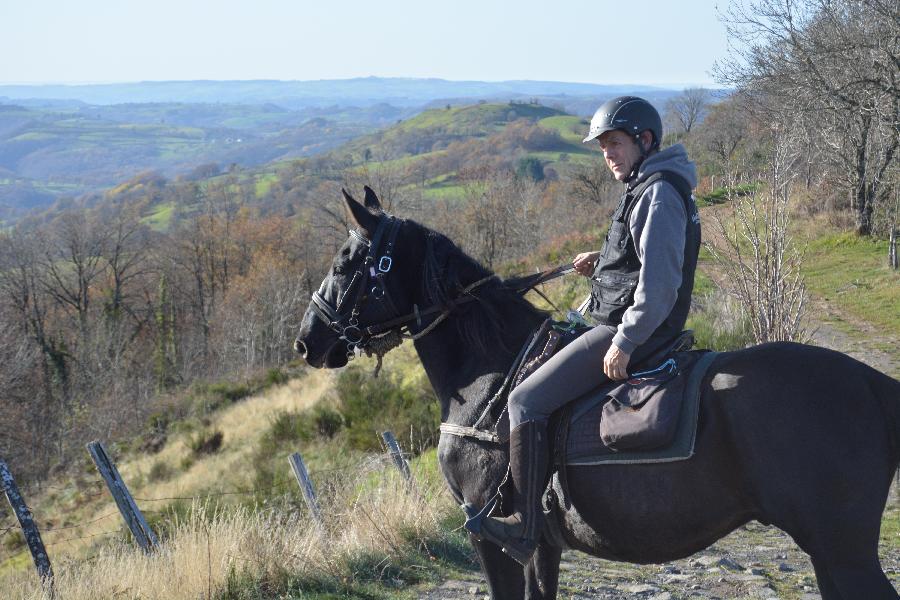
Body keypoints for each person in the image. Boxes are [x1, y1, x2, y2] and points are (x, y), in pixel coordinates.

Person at [478, 96, 701, 565]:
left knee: (524, 401)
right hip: (620, 315)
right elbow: (642, 258)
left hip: (635, 328)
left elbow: (660, 286)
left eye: (615, 144)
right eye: (603, 148)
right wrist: (600, 264)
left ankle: (525, 528)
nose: (608, 156)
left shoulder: (658, 192)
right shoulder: (646, 185)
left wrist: (625, 342)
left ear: (644, 140)